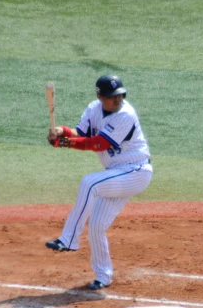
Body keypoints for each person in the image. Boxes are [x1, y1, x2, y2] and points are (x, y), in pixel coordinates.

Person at [46, 74, 153, 290]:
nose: (117, 99)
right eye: (112, 96)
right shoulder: (94, 108)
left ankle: (69, 239)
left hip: (135, 172)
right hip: (116, 174)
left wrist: (64, 143)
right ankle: (103, 276)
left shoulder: (125, 115)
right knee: (96, 225)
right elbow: (81, 133)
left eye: (120, 95)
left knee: (90, 183)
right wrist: (62, 131)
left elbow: (97, 144)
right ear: (100, 96)